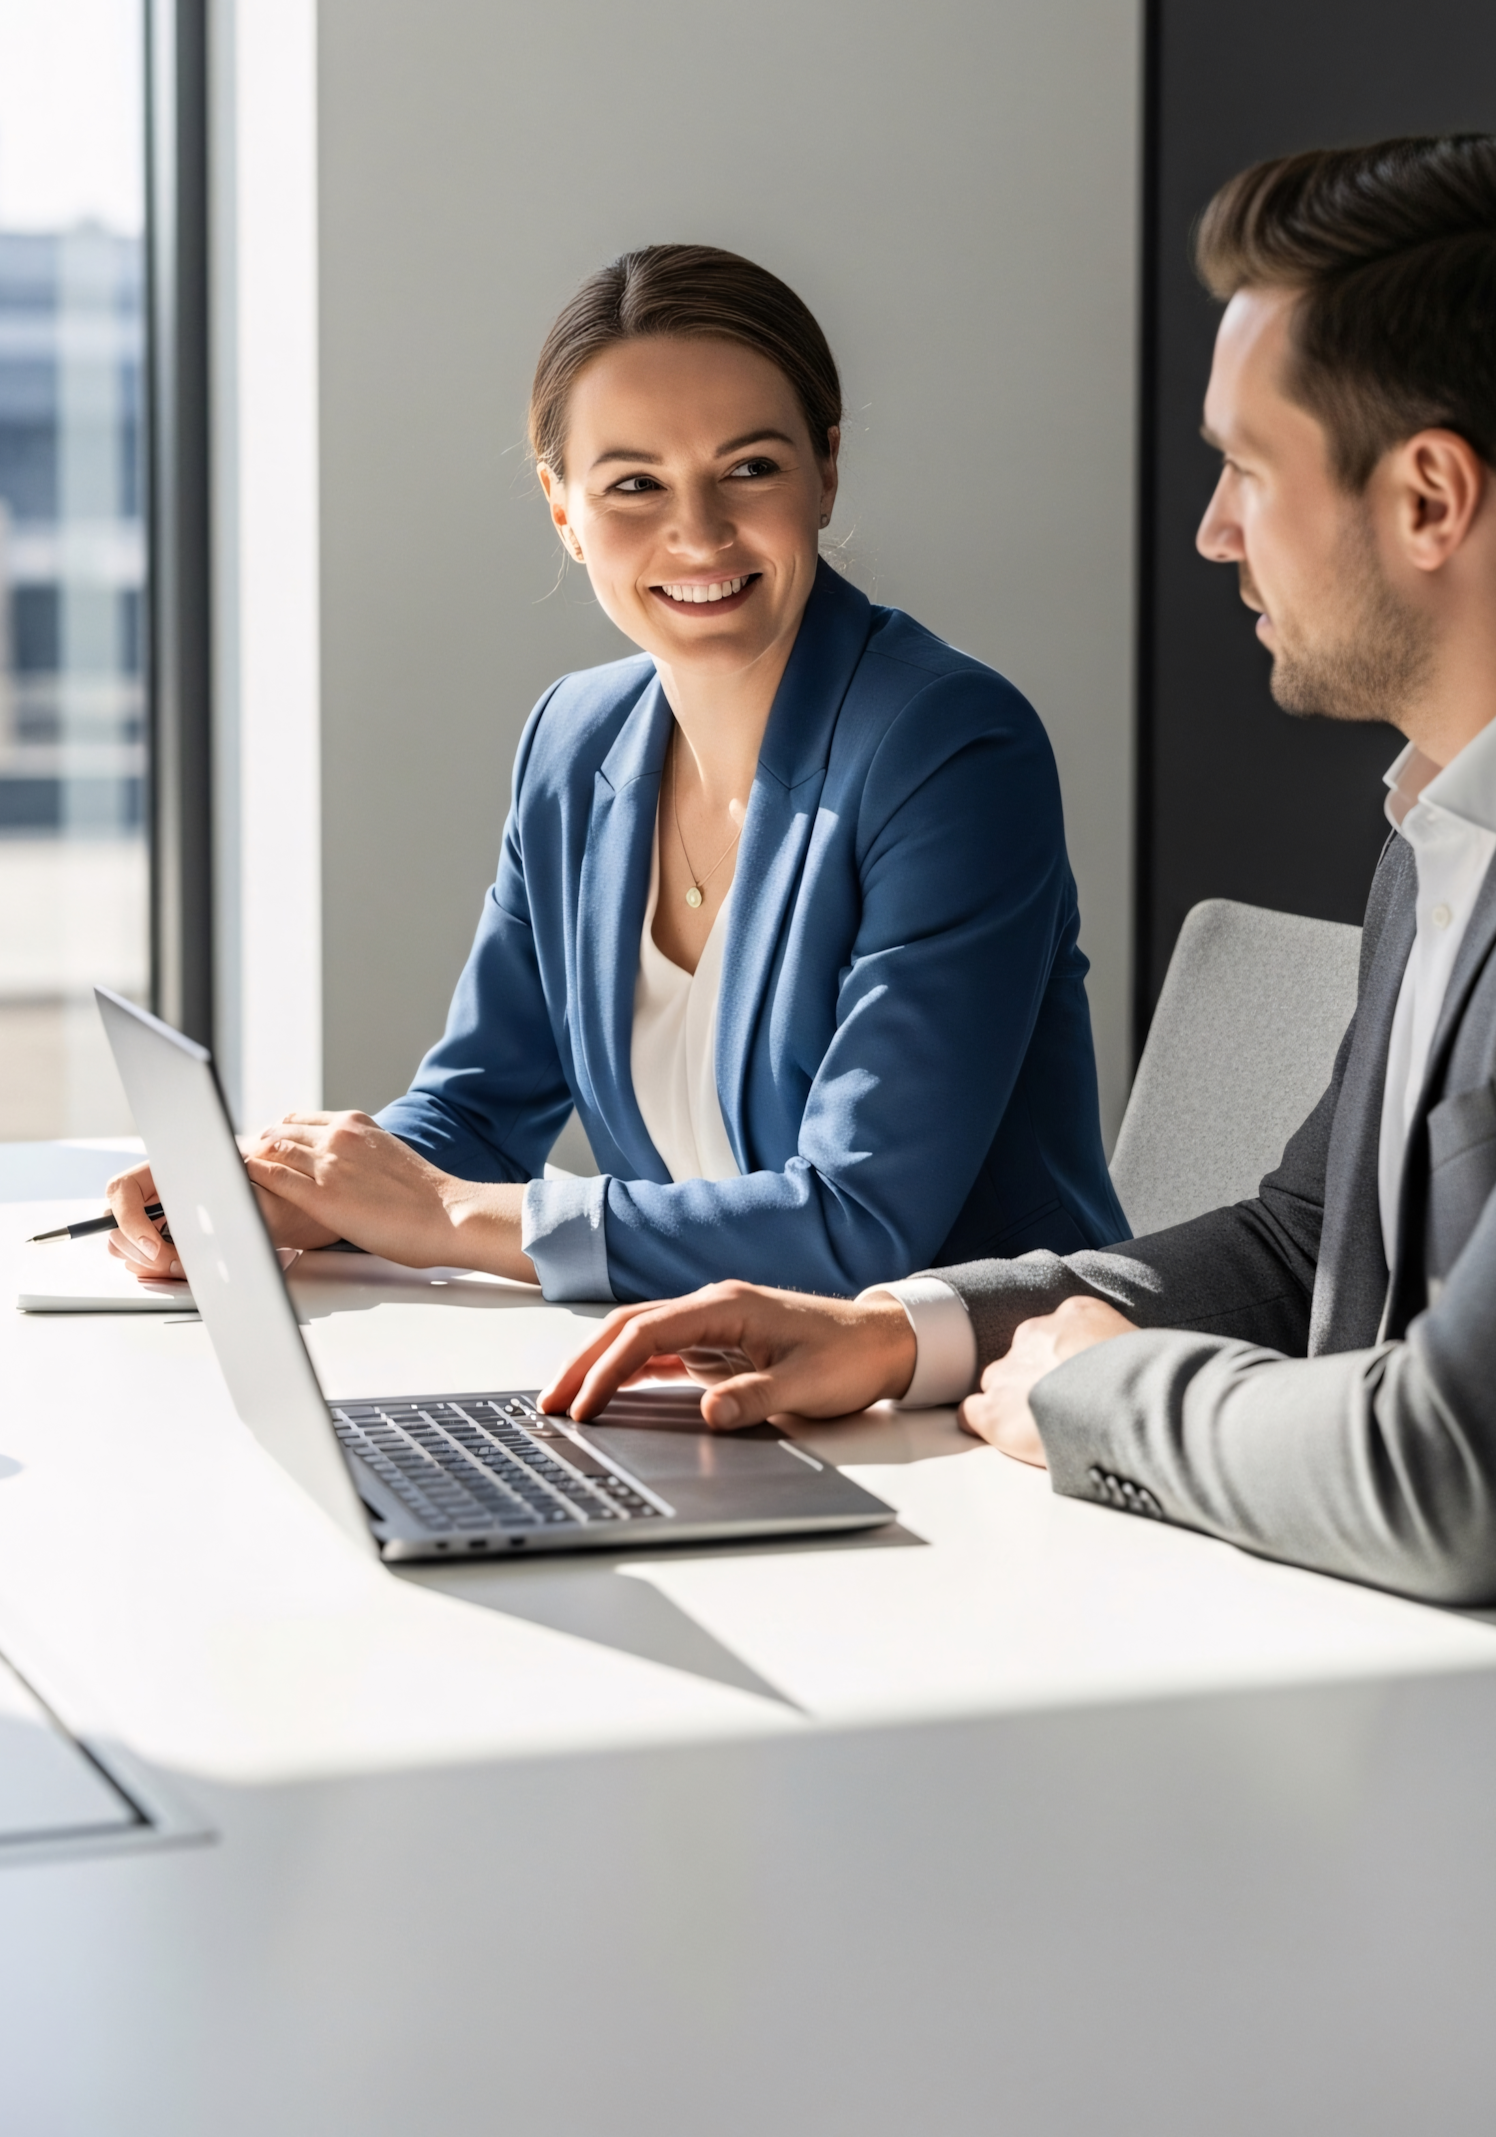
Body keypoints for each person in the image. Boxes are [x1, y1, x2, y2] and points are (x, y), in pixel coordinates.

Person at [542, 136, 1496, 1607]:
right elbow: (1303, 1237)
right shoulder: (1438, 837)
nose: (1212, 529)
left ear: (1428, 499)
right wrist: (906, 1332)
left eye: (1246, 467)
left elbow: (1447, 1467)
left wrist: (1103, 1398)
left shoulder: (938, 733)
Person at [108, 244, 1124, 1302]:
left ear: (825, 470)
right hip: (703, 1382)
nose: (696, 532)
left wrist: (441, 1214)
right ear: (562, 508)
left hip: (969, 1399)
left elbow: (858, 1223)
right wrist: (284, 1195)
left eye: (750, 468)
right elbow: (471, 1115)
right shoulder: (575, 738)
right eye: (633, 484)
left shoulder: (948, 747)